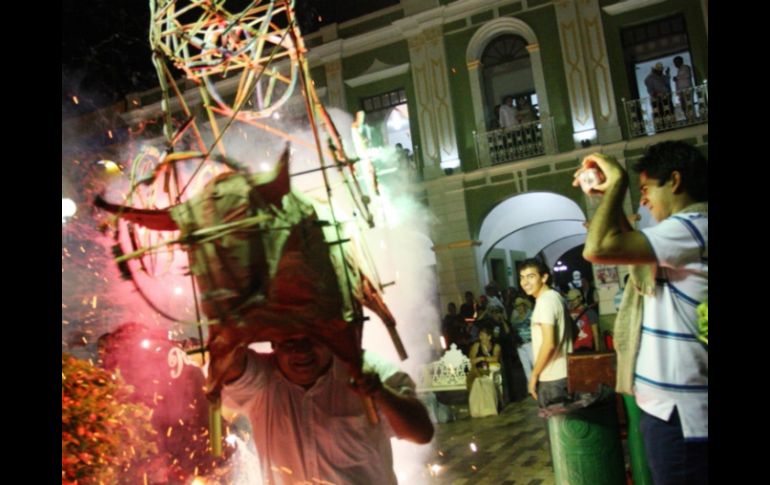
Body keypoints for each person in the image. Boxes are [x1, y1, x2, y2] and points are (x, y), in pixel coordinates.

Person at [575, 140, 708, 484]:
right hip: (674, 410)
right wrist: (608, 200)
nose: (644, 199)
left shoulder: (692, 226)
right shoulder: (689, 232)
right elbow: (633, 249)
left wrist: (617, 182)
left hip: (681, 415)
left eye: (647, 188)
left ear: (675, 181)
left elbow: (599, 248)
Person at [210, 329, 434, 485]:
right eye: (289, 341)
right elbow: (229, 364)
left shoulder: (366, 371)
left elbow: (422, 432)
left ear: (330, 335)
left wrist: (380, 393)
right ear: (273, 344)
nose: (301, 351)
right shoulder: (263, 378)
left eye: (311, 339)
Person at [519, 259, 573, 409]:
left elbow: (549, 343)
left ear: (544, 277)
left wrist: (534, 375)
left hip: (552, 378)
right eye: (522, 277)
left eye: (531, 276)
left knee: (558, 429)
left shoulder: (545, 302)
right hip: (564, 373)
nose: (525, 282)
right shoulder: (555, 297)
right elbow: (574, 330)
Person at [467, 326, 502, 417]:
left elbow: (495, 358)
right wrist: (481, 359)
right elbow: (472, 360)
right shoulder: (476, 346)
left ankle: (488, 407)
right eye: (480, 335)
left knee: (487, 381)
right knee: (474, 380)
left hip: (490, 370)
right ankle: (477, 408)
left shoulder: (496, 346)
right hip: (477, 369)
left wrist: (483, 358)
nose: (481, 337)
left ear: (489, 337)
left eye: (483, 335)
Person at [510, 296, 534, 383]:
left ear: (524, 306)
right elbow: (513, 332)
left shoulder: (531, 315)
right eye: (517, 307)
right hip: (520, 346)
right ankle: (532, 388)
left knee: (535, 364)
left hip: (531, 343)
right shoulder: (515, 320)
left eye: (521, 306)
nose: (519, 308)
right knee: (526, 367)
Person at [644, 63, 673, 130]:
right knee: (659, 114)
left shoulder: (662, 76)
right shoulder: (650, 78)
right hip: (656, 100)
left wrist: (667, 74)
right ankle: (660, 128)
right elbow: (650, 90)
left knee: (668, 112)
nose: (661, 71)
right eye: (659, 70)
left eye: (661, 70)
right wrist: (657, 94)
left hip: (666, 98)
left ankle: (669, 126)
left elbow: (667, 82)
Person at [673, 56, 694, 121]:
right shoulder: (678, 70)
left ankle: (692, 118)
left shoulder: (685, 67)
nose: (675, 64)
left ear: (680, 61)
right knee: (683, 106)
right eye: (674, 63)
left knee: (689, 104)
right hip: (681, 91)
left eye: (676, 62)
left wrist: (677, 78)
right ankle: (688, 118)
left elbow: (687, 75)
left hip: (687, 89)